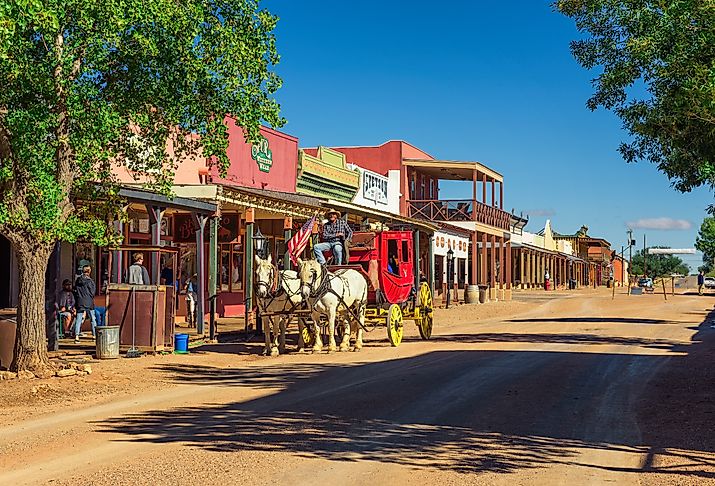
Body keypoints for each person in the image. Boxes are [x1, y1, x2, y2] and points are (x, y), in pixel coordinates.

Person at [73, 265, 97, 343]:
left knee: (79, 319)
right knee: (93, 319)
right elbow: (93, 293)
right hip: (89, 302)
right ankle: (94, 335)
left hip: (80, 301)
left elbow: (75, 290)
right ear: (89, 271)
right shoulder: (90, 281)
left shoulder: (78, 281)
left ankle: (76, 336)